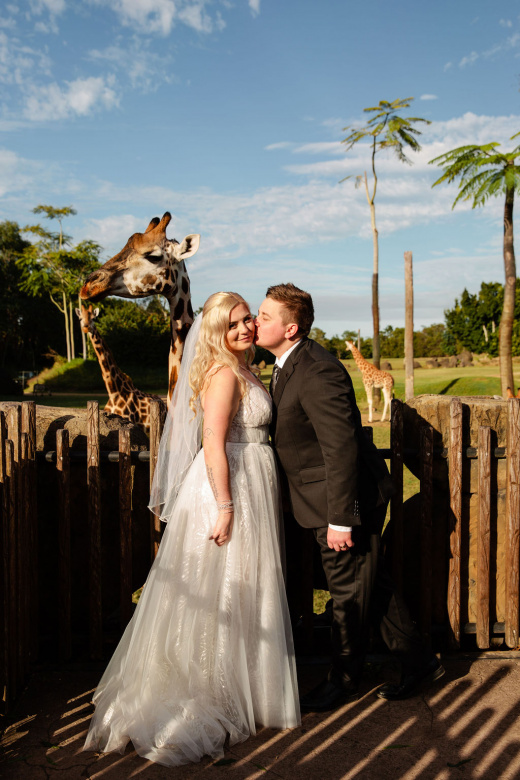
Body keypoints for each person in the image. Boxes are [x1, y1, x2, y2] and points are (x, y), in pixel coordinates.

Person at [83, 292, 300, 767]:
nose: (244, 329)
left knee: (245, 587)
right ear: (216, 331)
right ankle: (212, 691)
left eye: (247, 321)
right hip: (230, 488)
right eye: (233, 324)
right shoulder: (223, 374)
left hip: (253, 485)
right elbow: (214, 444)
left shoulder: (246, 369)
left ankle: (247, 688)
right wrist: (224, 506)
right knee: (220, 589)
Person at [255, 283, 444, 712]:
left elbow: (340, 448)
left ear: (291, 327)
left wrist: (342, 518)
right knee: (369, 584)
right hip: (320, 500)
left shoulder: (318, 369)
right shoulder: (285, 364)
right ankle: (418, 662)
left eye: (265, 316)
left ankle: (343, 679)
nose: (256, 320)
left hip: (341, 503)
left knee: (346, 592)